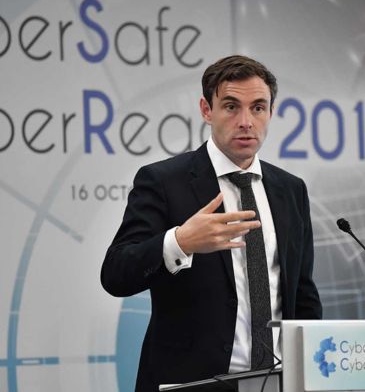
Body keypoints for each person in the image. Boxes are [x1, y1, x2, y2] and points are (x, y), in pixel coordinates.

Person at [101, 55, 322, 392]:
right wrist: (179, 242)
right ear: (207, 110)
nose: (246, 122)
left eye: (258, 108)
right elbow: (115, 273)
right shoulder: (163, 181)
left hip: (277, 382)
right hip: (192, 383)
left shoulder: (291, 190)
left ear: (271, 112)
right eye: (231, 107)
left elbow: (302, 295)